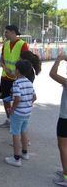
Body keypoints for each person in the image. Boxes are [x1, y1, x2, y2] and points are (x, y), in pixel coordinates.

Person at [4, 60, 36, 167]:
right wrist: (28, 104)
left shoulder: (16, 83)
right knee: (24, 131)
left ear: (17, 70)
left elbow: (17, 99)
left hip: (18, 113)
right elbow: (34, 97)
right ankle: (25, 153)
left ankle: (16, 158)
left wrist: (12, 110)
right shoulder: (29, 82)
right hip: (27, 113)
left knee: (16, 134)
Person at [0, 25, 29, 128]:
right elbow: (1, 59)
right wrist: (4, 68)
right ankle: (9, 119)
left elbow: (25, 61)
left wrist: (15, 73)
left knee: (17, 100)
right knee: (5, 99)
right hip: (5, 76)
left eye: (6, 32)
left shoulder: (22, 44)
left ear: (12, 32)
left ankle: (17, 121)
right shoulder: (5, 44)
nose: (4, 34)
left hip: (17, 78)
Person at [49, 53, 67, 186]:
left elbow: (52, 73)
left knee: (63, 146)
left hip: (65, 117)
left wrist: (58, 60)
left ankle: (66, 175)